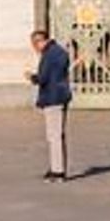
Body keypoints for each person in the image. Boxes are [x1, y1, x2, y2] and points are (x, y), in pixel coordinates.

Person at [28, 29, 72, 180]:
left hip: (52, 97)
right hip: (61, 95)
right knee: (58, 135)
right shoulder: (59, 51)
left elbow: (43, 78)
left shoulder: (49, 55)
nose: (34, 48)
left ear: (41, 41)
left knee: (54, 136)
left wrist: (32, 77)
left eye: (34, 44)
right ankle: (58, 167)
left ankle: (58, 171)